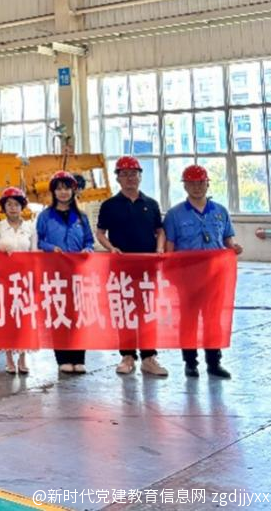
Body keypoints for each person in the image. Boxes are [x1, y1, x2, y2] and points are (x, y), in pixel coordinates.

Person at [163, 164, 242, 379]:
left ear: (207, 184)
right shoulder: (174, 215)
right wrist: (170, 272)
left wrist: (233, 247)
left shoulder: (220, 212)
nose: (197, 187)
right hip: (187, 278)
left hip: (215, 276)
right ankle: (190, 363)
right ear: (185, 186)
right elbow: (170, 246)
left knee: (212, 319)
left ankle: (214, 363)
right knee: (188, 320)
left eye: (201, 182)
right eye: (191, 183)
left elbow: (227, 239)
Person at [96, 156, 169, 377]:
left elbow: (160, 231)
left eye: (133, 174)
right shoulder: (109, 205)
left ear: (140, 176)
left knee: (147, 311)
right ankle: (127, 356)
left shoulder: (151, 204)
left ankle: (149, 357)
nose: (130, 178)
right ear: (118, 178)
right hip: (121, 268)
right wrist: (111, 248)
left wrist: (159, 248)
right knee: (125, 311)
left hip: (147, 268)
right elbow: (100, 233)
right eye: (125, 174)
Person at [36, 170, 95, 374]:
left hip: (78, 273)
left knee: (78, 315)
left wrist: (87, 250)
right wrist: (51, 248)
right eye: (59, 189)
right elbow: (38, 241)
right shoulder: (45, 216)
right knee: (59, 314)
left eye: (67, 188)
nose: (63, 192)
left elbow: (89, 241)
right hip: (55, 273)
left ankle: (79, 358)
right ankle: (62, 359)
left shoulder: (81, 217)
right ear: (53, 192)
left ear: (73, 191)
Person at [0, 186, 37, 374]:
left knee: (24, 319)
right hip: (4, 280)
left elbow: (34, 252)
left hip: (24, 280)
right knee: (7, 319)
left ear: (22, 206)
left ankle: (23, 358)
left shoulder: (30, 228)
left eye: (16, 204)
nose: (13, 208)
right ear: (4, 207)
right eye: (9, 204)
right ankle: (9, 359)